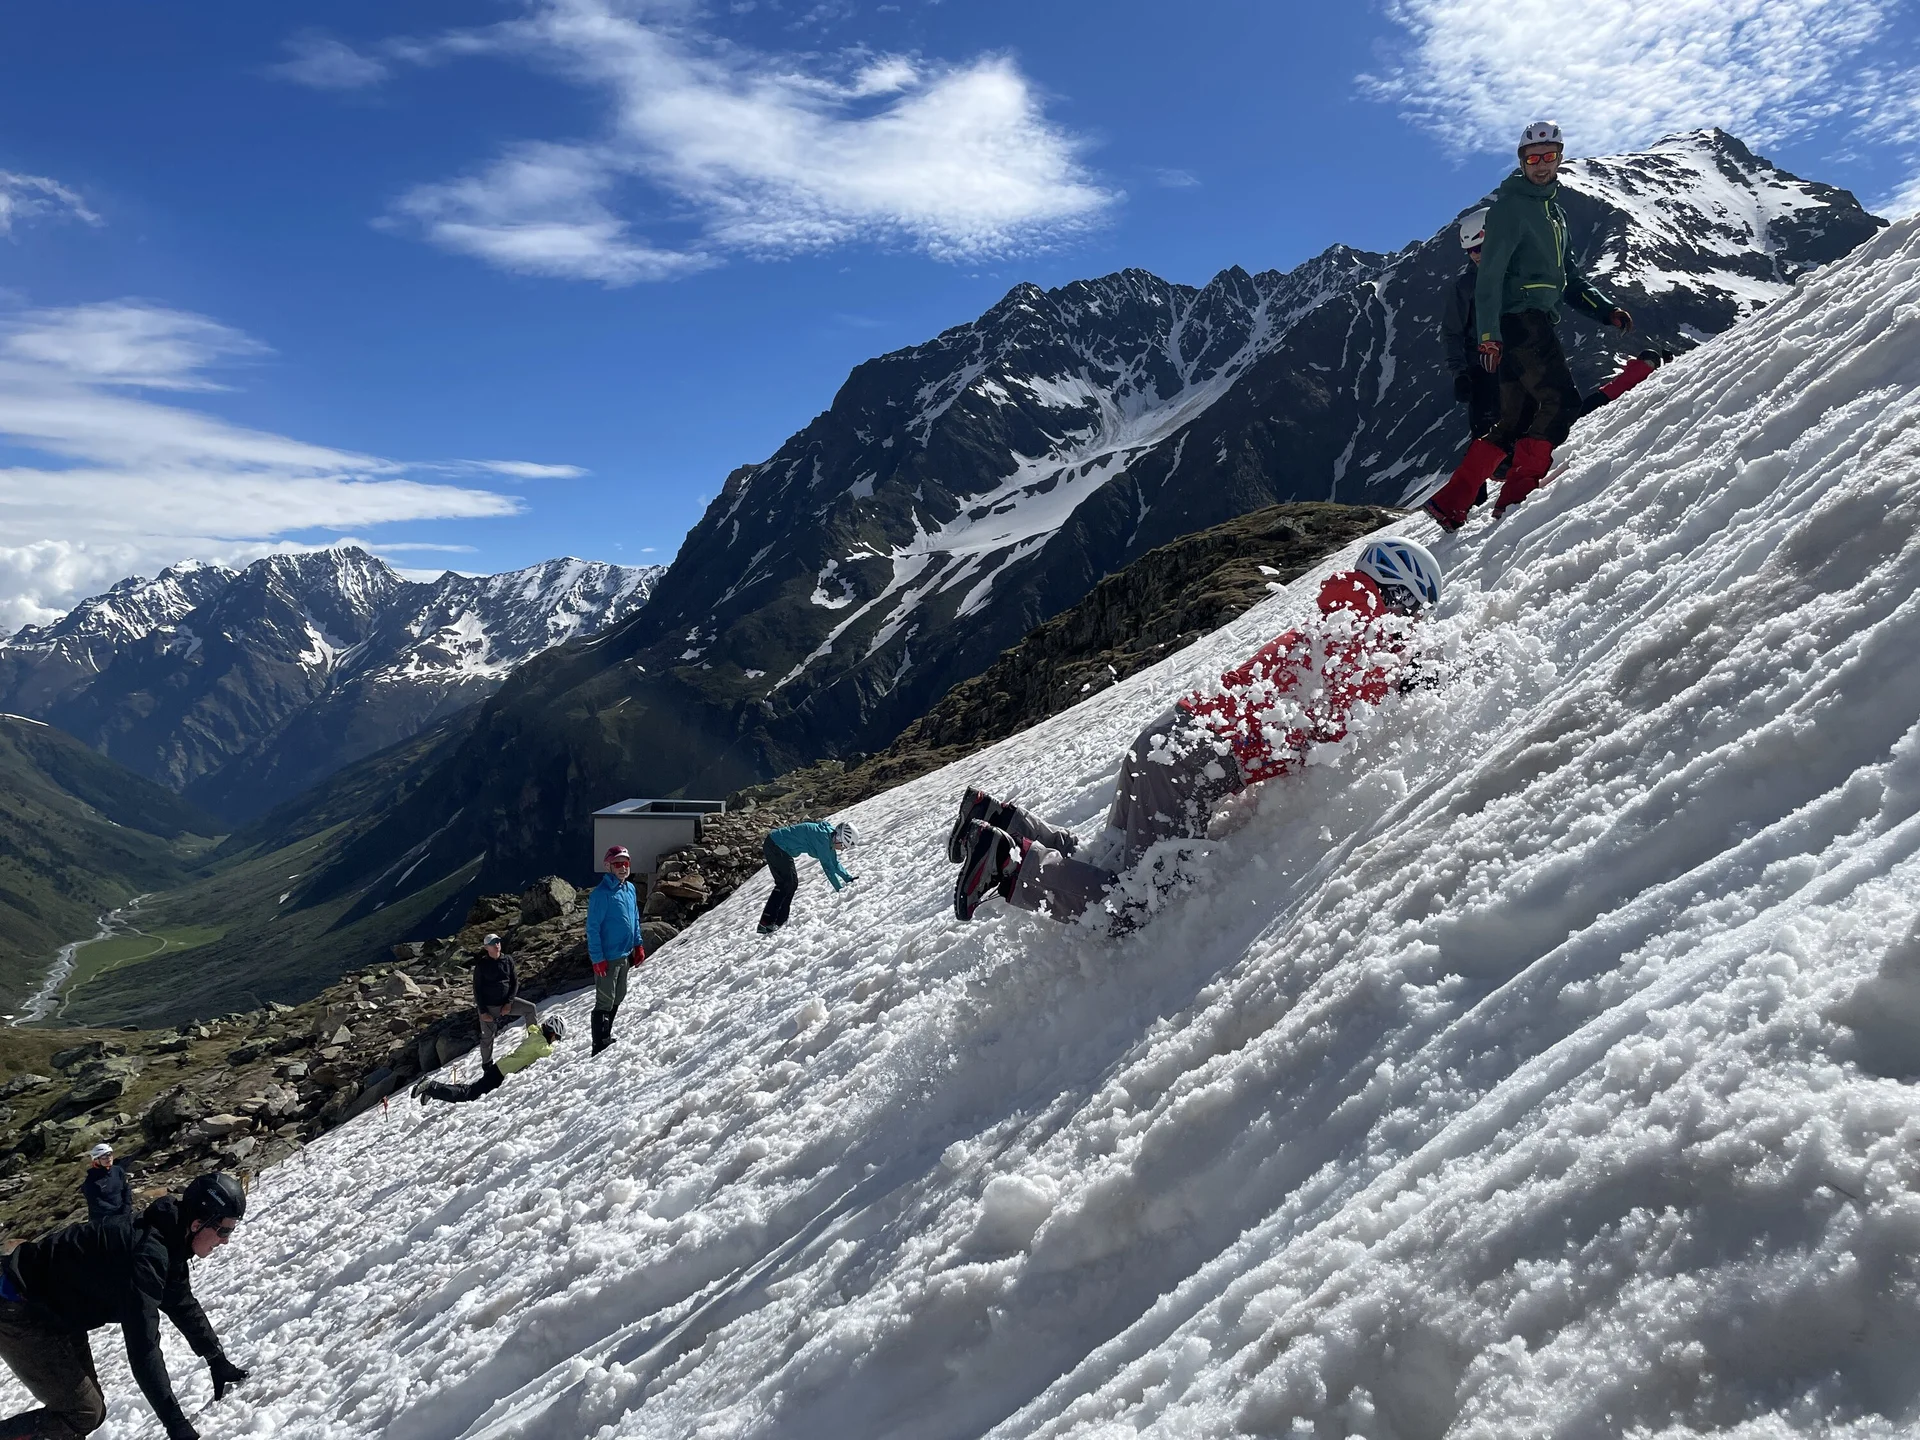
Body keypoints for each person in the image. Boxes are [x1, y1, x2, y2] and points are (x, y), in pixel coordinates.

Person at [950, 539, 1444, 933]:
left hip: (1168, 736)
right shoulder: (1364, 634)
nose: (1412, 629)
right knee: (1135, 905)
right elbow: (1339, 722)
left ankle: (1003, 822)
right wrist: (1416, 679)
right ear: (1401, 593)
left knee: (1110, 854)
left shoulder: (1329, 621)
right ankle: (1007, 863)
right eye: (1415, 613)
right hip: (1191, 763)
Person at [1425, 120, 1635, 532]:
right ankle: (1516, 495)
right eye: (1533, 158)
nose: (1541, 165)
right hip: (1520, 321)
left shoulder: (1553, 213)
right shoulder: (1510, 209)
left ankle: (1452, 502)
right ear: (1522, 162)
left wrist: (1605, 310)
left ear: (1559, 157)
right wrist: (1488, 336)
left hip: (1529, 320)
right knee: (1562, 404)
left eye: (1549, 156)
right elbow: (1489, 279)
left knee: (1513, 422)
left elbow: (1570, 278)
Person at [0, 1172, 249, 1440]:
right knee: (82, 1413)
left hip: (56, 1310)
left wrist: (217, 1360)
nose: (226, 1240)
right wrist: (176, 1424)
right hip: (18, 1306)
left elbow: (182, 1303)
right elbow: (144, 1347)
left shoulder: (172, 1239)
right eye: (225, 1230)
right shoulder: (147, 1255)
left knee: (84, 1413)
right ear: (199, 1224)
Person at [1443, 208, 1670, 501]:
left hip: (1518, 360)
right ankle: (1477, 498)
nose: (1475, 256)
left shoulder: (1525, 270)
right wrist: (1460, 373)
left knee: (1548, 414)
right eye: (1470, 251)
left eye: (1480, 248)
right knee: (1521, 420)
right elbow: (1452, 332)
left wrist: (1604, 311)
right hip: (1485, 371)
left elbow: (1569, 284)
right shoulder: (1465, 287)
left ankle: (1476, 496)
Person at [414, 1015, 565, 1105]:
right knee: (470, 1094)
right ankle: (431, 1086)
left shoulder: (537, 1035)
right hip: (502, 1071)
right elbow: (548, 1053)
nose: (555, 1041)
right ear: (551, 1032)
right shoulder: (539, 1041)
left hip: (502, 1068)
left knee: (471, 1090)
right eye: (556, 1037)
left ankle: (434, 1092)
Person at [586, 846, 645, 1055]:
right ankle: (599, 1043)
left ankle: (607, 1034)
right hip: (608, 957)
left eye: (626, 863)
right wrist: (597, 958)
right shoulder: (600, 895)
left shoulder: (629, 889)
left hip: (624, 954)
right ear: (608, 866)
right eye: (618, 863)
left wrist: (638, 945)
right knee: (605, 999)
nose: (622, 868)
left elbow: (634, 919)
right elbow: (592, 929)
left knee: (619, 995)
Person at [757, 821, 858, 935]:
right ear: (839, 837)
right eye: (844, 845)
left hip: (777, 845)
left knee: (790, 883)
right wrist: (839, 889)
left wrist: (849, 879)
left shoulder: (828, 838)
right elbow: (828, 868)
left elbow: (834, 863)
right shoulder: (823, 840)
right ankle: (767, 923)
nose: (843, 849)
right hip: (776, 845)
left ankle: (777, 921)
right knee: (787, 883)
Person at [471, 932, 537, 1067]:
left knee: (530, 1008)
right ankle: (487, 1066)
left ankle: (534, 1042)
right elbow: (477, 990)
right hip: (489, 1007)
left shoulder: (507, 960)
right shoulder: (482, 965)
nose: (496, 945)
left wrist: (509, 1003)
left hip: (507, 1003)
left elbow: (514, 983)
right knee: (487, 1038)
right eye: (492, 943)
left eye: (498, 942)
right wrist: (483, 1012)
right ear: (486, 948)